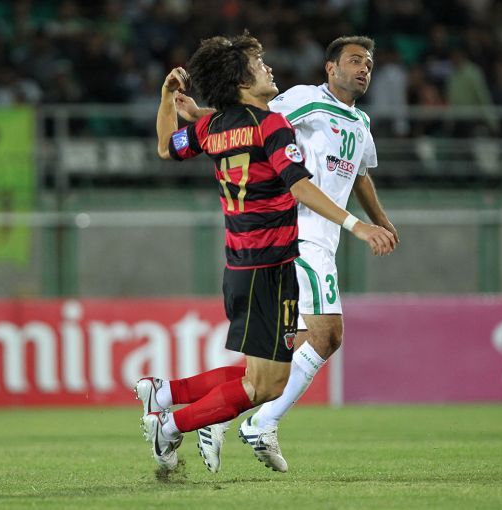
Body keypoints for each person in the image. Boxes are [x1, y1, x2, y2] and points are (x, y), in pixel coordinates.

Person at [138, 33, 397, 473]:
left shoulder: (214, 128)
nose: (269, 68)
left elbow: (166, 146)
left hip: (240, 265)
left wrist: (168, 100)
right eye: (259, 64)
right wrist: (358, 226)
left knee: (268, 374)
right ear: (242, 79)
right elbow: (299, 185)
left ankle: (164, 395)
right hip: (275, 262)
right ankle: (175, 424)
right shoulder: (272, 124)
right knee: (269, 381)